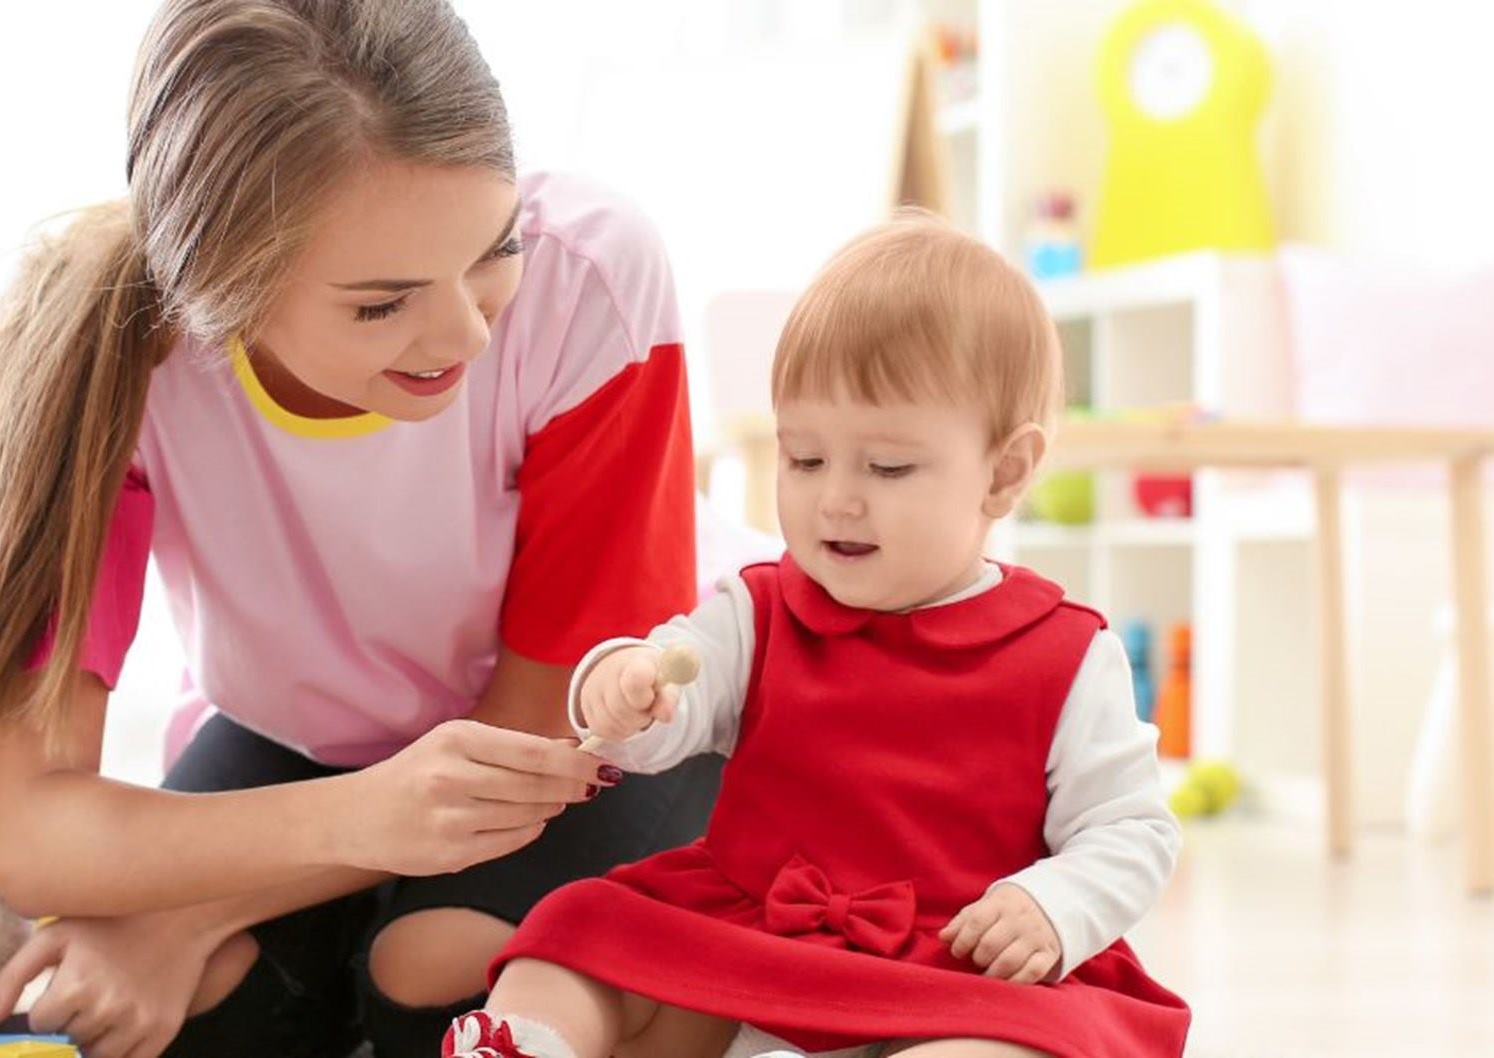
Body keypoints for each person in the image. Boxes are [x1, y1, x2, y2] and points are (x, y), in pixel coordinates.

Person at [0, 2, 729, 1055]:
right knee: (155, 1013)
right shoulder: (105, 367)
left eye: (491, 249)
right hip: (304, 744)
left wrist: (187, 907)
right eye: (382, 304)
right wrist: (338, 831)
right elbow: (37, 828)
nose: (461, 329)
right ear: (217, 293)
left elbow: (536, 736)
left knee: (437, 987)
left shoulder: (591, 277)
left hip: (585, 739)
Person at [450, 214, 1190, 1058]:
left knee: (1012, 1045)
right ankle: (530, 1042)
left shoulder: (1064, 651)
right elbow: (675, 705)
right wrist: (624, 688)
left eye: (886, 468)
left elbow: (1132, 830)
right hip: (754, 925)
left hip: (954, 960)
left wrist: (1053, 907)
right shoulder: (759, 607)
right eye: (804, 459)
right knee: (574, 929)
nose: (836, 499)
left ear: (1006, 471)